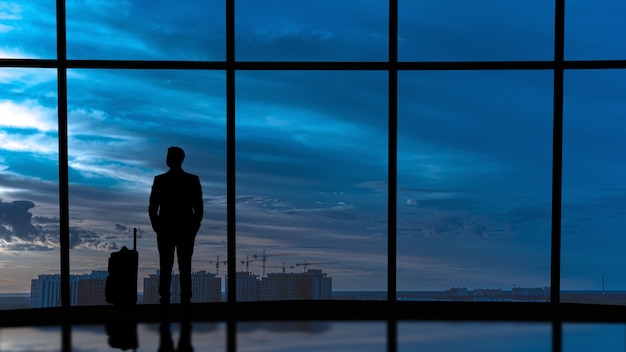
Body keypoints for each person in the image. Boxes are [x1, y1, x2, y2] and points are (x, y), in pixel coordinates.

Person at [149, 146, 203, 315]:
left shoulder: (161, 180)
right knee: (183, 265)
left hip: (169, 229)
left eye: (168, 156)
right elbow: (198, 210)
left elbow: (152, 209)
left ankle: (166, 299)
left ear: (173, 159)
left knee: (167, 265)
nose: (166, 158)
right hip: (181, 230)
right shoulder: (192, 180)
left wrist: (158, 227)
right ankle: (183, 299)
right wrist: (192, 228)